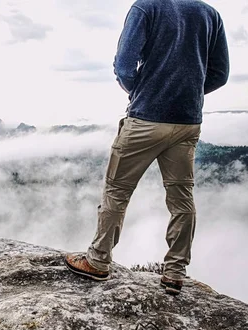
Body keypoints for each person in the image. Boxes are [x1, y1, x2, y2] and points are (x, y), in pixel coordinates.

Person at [65, 0, 230, 295]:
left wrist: (145, 91)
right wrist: (187, 90)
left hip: (145, 120)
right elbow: (220, 73)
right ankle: (175, 272)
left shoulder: (147, 7)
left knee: (117, 191)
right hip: (187, 121)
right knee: (182, 198)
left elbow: (124, 64)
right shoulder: (210, 14)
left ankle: (98, 261)